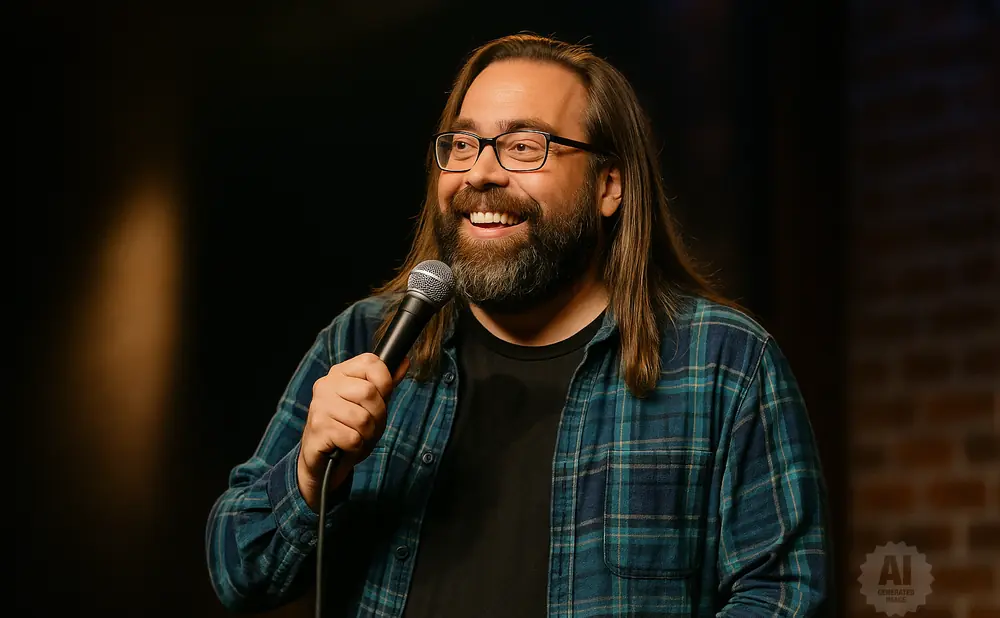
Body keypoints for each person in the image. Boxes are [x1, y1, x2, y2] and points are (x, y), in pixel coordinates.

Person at [205, 34, 832, 617]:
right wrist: (311, 479)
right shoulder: (363, 340)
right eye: (463, 144)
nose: (480, 172)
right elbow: (239, 571)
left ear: (608, 184)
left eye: (524, 146)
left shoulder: (722, 363)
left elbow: (783, 597)